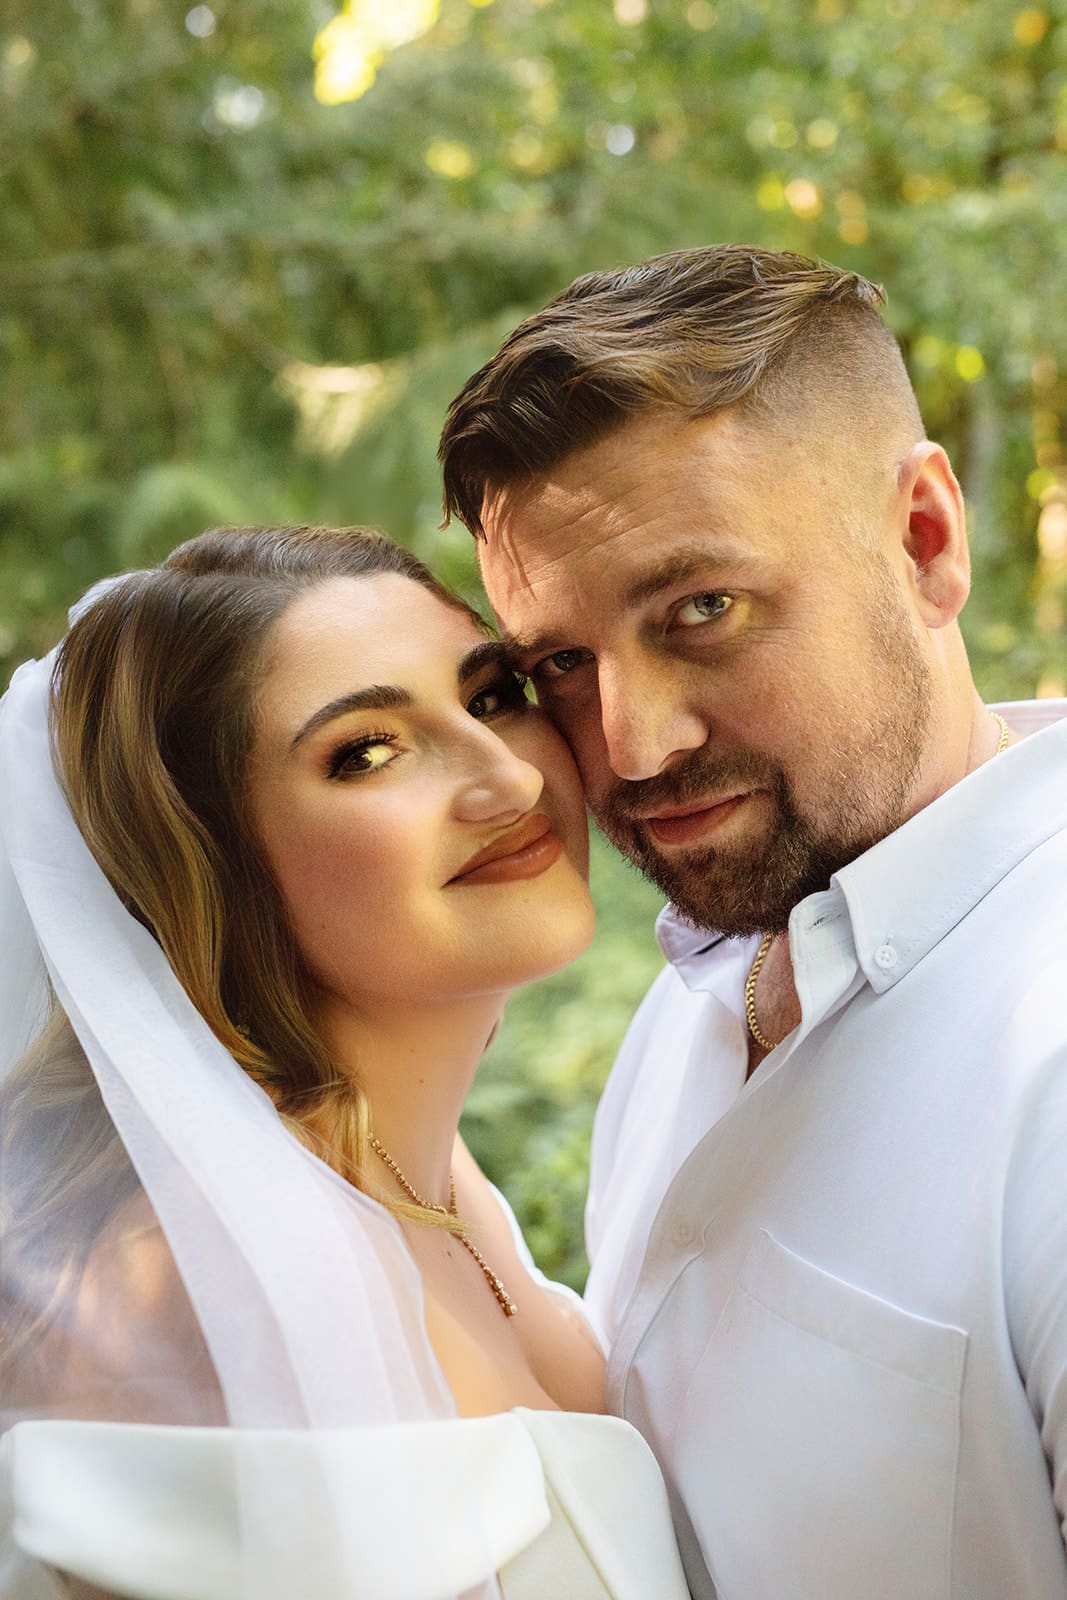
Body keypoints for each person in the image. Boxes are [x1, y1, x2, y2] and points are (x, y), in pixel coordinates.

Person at [438, 245, 1067, 1600]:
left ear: (922, 542)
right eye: (557, 665)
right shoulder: (695, 999)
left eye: (701, 611)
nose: (631, 744)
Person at [0, 524, 691, 1600]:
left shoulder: (420, 1170)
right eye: (366, 750)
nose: (504, 777)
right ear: (208, 859)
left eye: (491, 696)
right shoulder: (179, 1287)